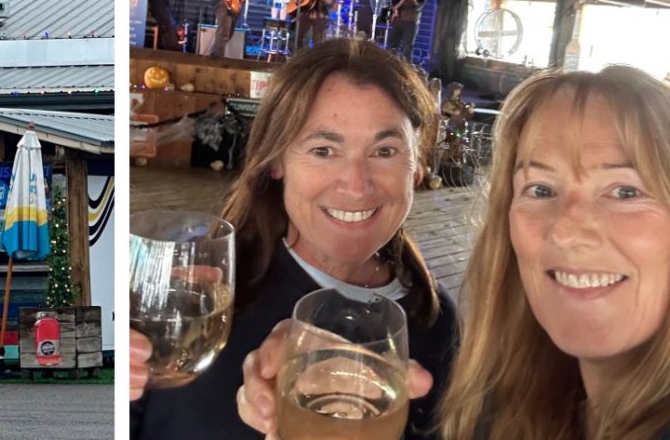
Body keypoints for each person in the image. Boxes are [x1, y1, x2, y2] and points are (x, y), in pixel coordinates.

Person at [240, 66, 670, 440]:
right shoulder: (508, 401)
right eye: (540, 189)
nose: (566, 230)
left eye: (625, 191)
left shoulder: (438, 323)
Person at [130, 39, 460, 439]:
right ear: (275, 163)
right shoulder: (197, 296)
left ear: (418, 168)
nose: (356, 185)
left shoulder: (436, 321)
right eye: (323, 150)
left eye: (385, 151)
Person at [387, 0, 429, 64]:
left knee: (406, 49)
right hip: (397, 20)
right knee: (391, 46)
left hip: (410, 22)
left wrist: (412, 0)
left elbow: (420, 5)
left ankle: (405, 72)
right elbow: (395, 0)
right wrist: (392, 11)